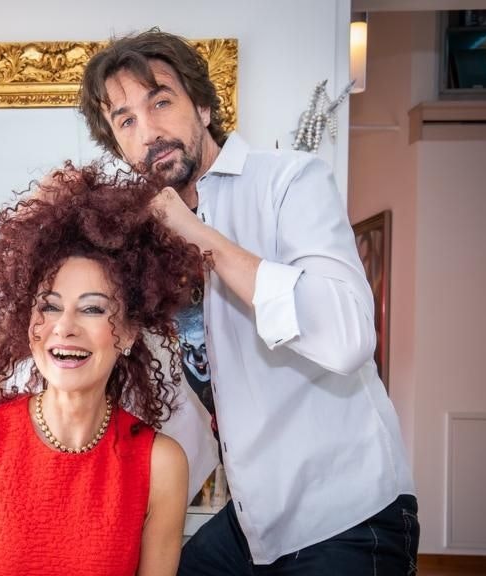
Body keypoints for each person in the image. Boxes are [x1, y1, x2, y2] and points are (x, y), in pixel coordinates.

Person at [79, 29, 420, 575]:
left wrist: (200, 236)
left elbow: (348, 338)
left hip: (348, 515)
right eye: (126, 121)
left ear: (203, 106)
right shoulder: (149, 243)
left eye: (160, 102)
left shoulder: (291, 182)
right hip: (255, 521)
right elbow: (187, 399)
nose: (148, 132)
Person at [0, 164, 205, 576]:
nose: (65, 327)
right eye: (49, 306)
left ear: (129, 333)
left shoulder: (161, 465)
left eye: (92, 309)